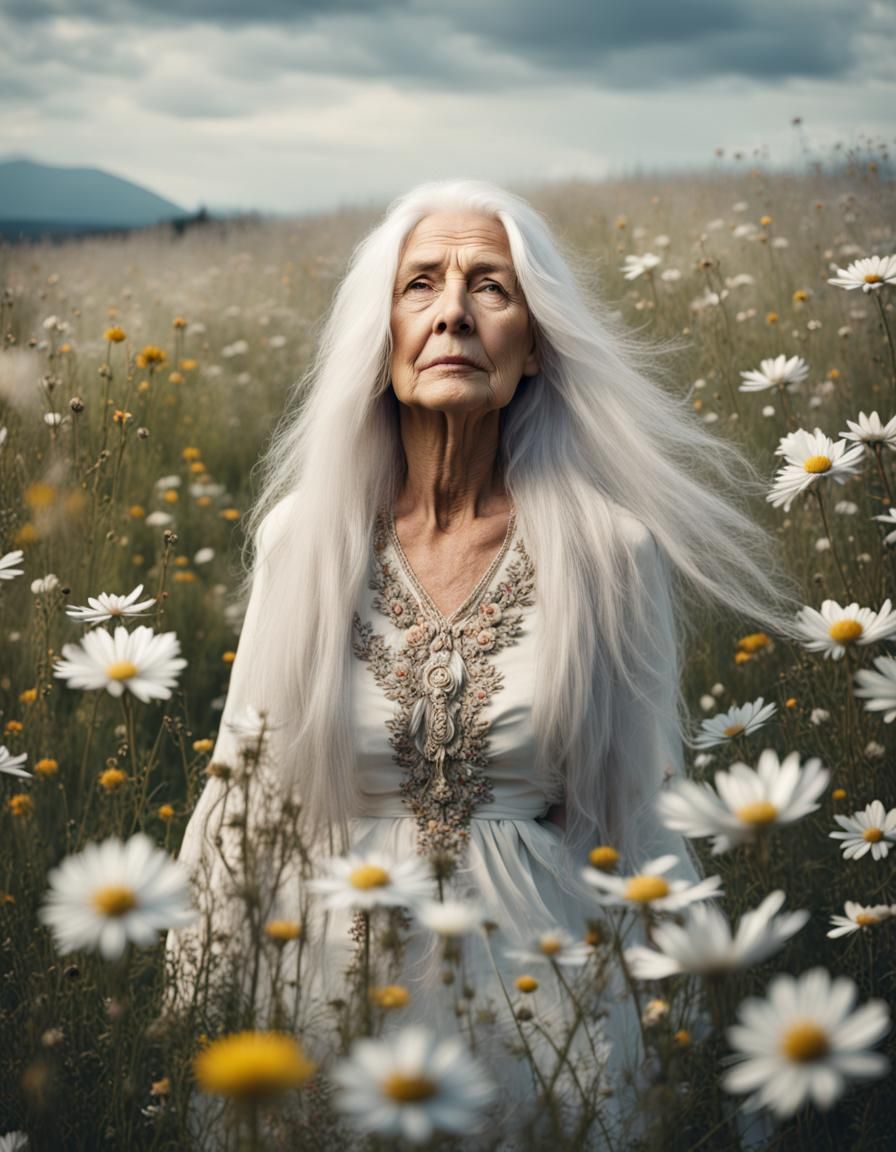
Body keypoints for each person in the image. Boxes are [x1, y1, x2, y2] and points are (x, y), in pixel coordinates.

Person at [164, 179, 802, 1150]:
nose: (452, 310)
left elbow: (637, 816)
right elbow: (241, 791)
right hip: (330, 983)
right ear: (381, 337)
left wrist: (690, 1042)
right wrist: (191, 999)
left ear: (534, 343)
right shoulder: (307, 539)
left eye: (489, 287)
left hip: (541, 1000)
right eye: (419, 284)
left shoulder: (608, 551)